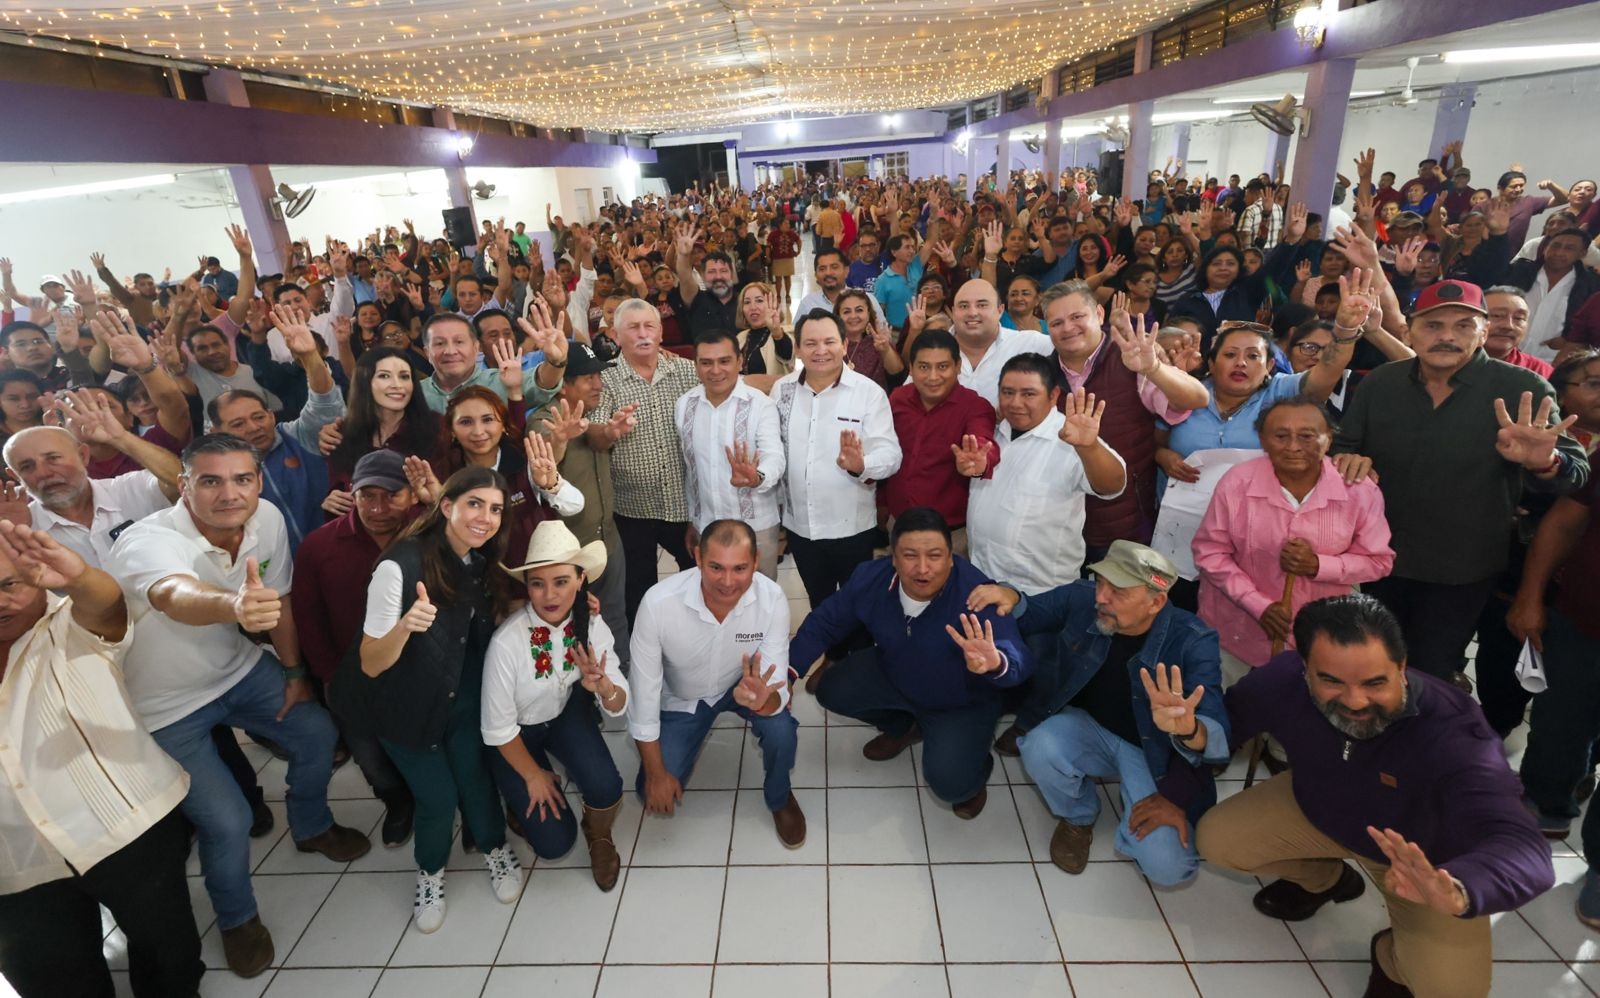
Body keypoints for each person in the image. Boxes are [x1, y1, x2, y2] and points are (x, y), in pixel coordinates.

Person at [1197, 595, 1556, 998]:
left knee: (1453, 992)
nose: (1354, 701)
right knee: (1216, 839)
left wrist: (1459, 888)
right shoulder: (1281, 680)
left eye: (1375, 682)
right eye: (1331, 680)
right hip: (1317, 811)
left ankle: (1389, 956)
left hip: (1422, 865)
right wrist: (1190, 732)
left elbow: (1524, 847)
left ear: (1402, 667)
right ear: (1304, 670)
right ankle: (1325, 880)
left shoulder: (1454, 733)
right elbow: (1224, 727)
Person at [109, 433, 370, 978]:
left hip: (239, 671)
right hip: (164, 705)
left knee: (317, 734)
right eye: (211, 480)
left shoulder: (266, 519)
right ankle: (236, 919)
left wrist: (295, 673)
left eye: (242, 479)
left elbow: (282, 600)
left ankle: (312, 825)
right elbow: (172, 594)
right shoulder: (146, 540)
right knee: (226, 821)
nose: (230, 494)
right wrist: (233, 604)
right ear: (183, 486)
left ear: (257, 481)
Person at [1332, 280, 1589, 688]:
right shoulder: (1381, 384)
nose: (1447, 336)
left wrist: (1546, 462)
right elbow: (1343, 447)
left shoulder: (1522, 388)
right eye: (1433, 325)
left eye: (1464, 325)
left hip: (1462, 570)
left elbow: (1576, 472)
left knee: (1427, 674)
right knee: (1370, 665)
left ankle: (1420, 745)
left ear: (1484, 332)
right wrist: (1347, 460)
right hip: (1377, 559)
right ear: (1409, 331)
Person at [0, 522, 202, 998]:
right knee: (52, 978)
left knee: (167, 959)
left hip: (128, 832)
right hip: (16, 859)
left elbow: (106, 603)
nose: (0, 601)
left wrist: (78, 577)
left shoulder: (71, 625)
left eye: (9, 585)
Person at [973, 541, 1229, 885]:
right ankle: (1078, 817)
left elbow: (1216, 731)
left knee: (1168, 866)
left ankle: (1135, 823)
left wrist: (1188, 729)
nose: (1101, 597)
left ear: (1156, 601)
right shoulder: (1083, 599)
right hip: (1091, 727)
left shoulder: (1194, 639)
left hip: (1154, 752)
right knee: (1037, 745)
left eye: (1119, 591)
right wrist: (1011, 596)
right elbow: (1033, 610)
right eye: (1101, 582)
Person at [342, 466, 524, 933]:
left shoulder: (478, 560)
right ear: (446, 506)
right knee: (438, 798)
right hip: (407, 709)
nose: (485, 517)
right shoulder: (398, 566)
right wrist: (405, 626)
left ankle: (494, 849)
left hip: (461, 700)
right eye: (474, 504)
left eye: (496, 509)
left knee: (476, 781)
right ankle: (430, 874)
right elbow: (371, 662)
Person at [794, 507, 1029, 818]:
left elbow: (1019, 661)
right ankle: (903, 726)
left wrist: (995, 663)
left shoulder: (976, 593)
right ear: (893, 556)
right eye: (909, 555)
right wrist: (785, 672)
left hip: (959, 701)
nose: (922, 569)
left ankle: (973, 766)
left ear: (950, 557)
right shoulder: (871, 578)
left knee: (950, 784)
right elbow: (825, 622)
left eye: (934, 556)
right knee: (831, 688)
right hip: (897, 672)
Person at [967, 357, 1128, 755]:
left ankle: (1031, 721)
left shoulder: (1070, 436)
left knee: (1044, 665)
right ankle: (999, 703)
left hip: (1043, 590)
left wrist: (1089, 446)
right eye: (1008, 392)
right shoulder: (996, 433)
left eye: (1028, 394)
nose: (1016, 403)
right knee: (995, 656)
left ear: (1054, 395)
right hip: (986, 579)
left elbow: (1113, 484)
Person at [1192, 396, 1394, 684]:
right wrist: (1258, 605)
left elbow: (1379, 561)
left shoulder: (1358, 490)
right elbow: (1209, 553)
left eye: (1307, 436)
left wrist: (1318, 565)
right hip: (1236, 631)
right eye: (1281, 436)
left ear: (1328, 440)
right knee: (1233, 712)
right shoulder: (1236, 483)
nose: (1294, 447)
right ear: (1262, 439)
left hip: (1318, 637)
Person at [627, 519, 805, 847]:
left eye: (739, 568)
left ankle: (779, 797)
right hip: (683, 696)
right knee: (646, 788)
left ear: (755, 562)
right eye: (715, 567)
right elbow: (643, 692)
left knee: (782, 729)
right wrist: (655, 772)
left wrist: (763, 701)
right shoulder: (657, 604)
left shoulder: (773, 599)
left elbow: (776, 684)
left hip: (745, 685)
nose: (727, 582)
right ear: (697, 558)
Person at [483, 520, 629, 890]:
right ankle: (516, 799)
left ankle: (598, 836)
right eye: (537, 582)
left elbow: (619, 704)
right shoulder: (506, 644)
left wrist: (605, 686)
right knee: (553, 844)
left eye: (561, 581)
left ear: (581, 580)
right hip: (514, 737)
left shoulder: (591, 625)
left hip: (564, 715)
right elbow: (497, 729)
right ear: (526, 585)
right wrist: (532, 774)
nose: (549, 594)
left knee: (607, 786)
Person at [291, 450, 417, 849]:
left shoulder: (427, 534)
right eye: (367, 496)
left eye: (391, 495)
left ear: (411, 496)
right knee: (371, 756)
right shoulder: (319, 546)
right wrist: (329, 676)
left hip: (419, 670)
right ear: (351, 493)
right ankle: (397, 804)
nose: (378, 508)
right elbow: (307, 618)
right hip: (352, 677)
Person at [772, 310, 901, 664]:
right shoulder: (781, 390)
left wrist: (862, 465)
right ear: (797, 348)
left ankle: (857, 663)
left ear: (844, 344)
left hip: (851, 524)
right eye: (810, 343)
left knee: (857, 599)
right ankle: (832, 657)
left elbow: (891, 454)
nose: (821, 350)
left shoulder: (868, 393)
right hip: (800, 523)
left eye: (829, 341)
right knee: (819, 598)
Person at [1042, 282, 1208, 553]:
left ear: (1098, 314)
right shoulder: (1042, 372)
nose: (1068, 328)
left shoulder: (1132, 357)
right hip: (1059, 521)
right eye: (1057, 322)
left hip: (1125, 521)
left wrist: (1154, 369)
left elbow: (1197, 399)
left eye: (1077, 317)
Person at [585, 298, 699, 624]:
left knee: (698, 576)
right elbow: (593, 437)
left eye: (649, 325)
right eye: (633, 327)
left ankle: (691, 640)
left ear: (661, 332)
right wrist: (610, 431)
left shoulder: (687, 372)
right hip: (631, 507)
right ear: (616, 336)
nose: (642, 333)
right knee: (638, 589)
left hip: (683, 502)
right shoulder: (605, 380)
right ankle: (642, 653)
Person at [211, 303, 346, 552]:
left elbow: (325, 404)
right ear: (217, 432)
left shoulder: (297, 436)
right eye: (238, 424)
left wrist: (310, 357)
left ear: (272, 416)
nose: (253, 428)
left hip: (336, 552)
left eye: (258, 417)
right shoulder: (218, 474)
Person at [531, 343, 634, 665]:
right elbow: (544, 462)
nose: (598, 384)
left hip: (608, 542)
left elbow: (595, 435)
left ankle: (621, 691)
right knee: (571, 627)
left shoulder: (589, 419)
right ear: (565, 383)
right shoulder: (544, 422)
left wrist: (612, 432)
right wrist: (560, 439)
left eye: (598, 376)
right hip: (569, 556)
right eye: (588, 377)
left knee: (615, 620)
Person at [676, 330, 785, 578]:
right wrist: (693, 519)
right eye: (706, 362)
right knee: (717, 597)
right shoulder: (684, 405)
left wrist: (756, 477)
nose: (715, 370)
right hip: (707, 526)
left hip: (756, 525)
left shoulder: (761, 404)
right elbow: (691, 469)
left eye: (724, 361)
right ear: (696, 366)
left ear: (739, 361)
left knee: (760, 597)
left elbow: (775, 457)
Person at [884, 329, 1003, 552]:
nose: (932, 377)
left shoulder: (975, 406)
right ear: (911, 367)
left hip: (951, 534)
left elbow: (983, 441)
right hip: (898, 524)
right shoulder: (898, 399)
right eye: (923, 367)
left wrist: (978, 462)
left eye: (942, 367)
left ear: (958, 367)